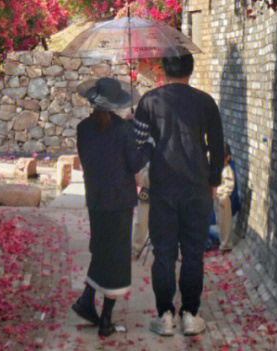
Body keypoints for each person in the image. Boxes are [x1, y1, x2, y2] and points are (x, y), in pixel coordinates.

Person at [133, 50, 224, 338]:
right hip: (197, 187)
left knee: (164, 254)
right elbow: (218, 147)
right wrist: (213, 181)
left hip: (162, 187)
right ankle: (190, 315)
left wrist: (139, 171)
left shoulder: (149, 101)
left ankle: (164, 316)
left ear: (163, 69)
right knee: (193, 254)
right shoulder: (205, 102)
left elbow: (140, 146)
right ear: (190, 69)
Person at [72, 75, 151, 339]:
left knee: (101, 250)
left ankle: (87, 298)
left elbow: (90, 158)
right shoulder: (122, 129)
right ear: (116, 103)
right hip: (119, 203)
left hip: (95, 199)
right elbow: (136, 164)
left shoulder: (83, 128)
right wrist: (146, 144)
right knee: (115, 259)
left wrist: (125, 129)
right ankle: (105, 319)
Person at [212, 143, 239, 252]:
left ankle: (226, 244)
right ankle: (222, 240)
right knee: (219, 221)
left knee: (225, 223)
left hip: (223, 199)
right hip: (218, 198)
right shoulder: (220, 168)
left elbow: (229, 186)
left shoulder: (227, 170)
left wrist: (218, 191)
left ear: (227, 158)